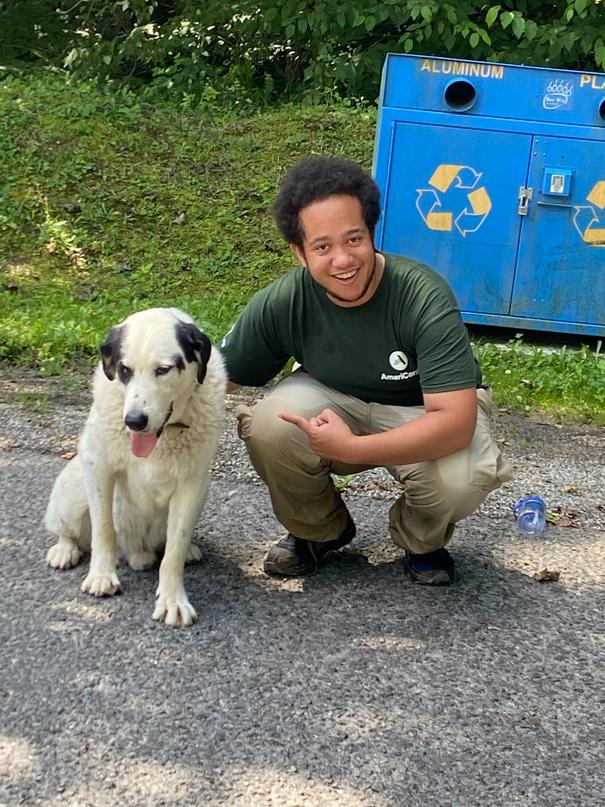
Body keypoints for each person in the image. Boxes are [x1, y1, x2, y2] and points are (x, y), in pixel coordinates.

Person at [220, 155, 511, 585]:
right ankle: (318, 531)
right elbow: (215, 378)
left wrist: (353, 448)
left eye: (353, 239)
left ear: (372, 232)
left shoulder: (423, 295)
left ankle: (420, 539)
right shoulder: (284, 301)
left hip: (421, 409)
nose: (342, 259)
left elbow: (455, 423)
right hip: (332, 398)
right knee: (270, 425)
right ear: (299, 252)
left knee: (462, 474)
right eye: (322, 247)